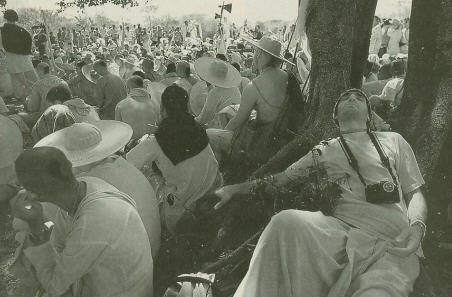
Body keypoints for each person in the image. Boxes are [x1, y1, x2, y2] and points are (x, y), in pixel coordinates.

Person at [215, 88, 427, 297]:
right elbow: (279, 180)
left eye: (359, 98)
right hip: (341, 235)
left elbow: (414, 193)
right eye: (345, 97)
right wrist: (234, 189)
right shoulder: (324, 151)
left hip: (394, 244)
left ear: (369, 116)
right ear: (335, 116)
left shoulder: (394, 141)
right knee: (284, 221)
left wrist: (417, 227)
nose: (352, 98)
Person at [9, 146, 154, 297]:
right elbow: (59, 246)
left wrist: (36, 226)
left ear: (32, 194)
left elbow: (54, 288)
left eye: (20, 185)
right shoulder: (87, 184)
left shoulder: (91, 225)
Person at [34, 120, 161, 259]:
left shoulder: (87, 183)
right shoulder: (122, 164)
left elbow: (51, 217)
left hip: (124, 265)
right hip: (148, 253)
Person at [127, 84, 222, 234]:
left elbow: (129, 163)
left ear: (163, 109)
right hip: (211, 185)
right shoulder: (197, 127)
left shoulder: (156, 141)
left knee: (147, 174)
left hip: (182, 205)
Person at [223, 36, 304, 180]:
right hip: (288, 140)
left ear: (261, 54)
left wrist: (223, 133)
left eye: (256, 52)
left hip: (264, 145)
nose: (255, 55)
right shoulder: (289, 77)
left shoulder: (253, 86)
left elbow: (238, 121)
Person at [31, 84, 99, 142]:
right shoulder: (88, 106)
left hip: (82, 142)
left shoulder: (61, 112)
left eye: (51, 104)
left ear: (57, 102)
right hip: (97, 138)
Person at [0, 9, 38, 100]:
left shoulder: (2, 30)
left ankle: (23, 97)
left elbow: (1, 45)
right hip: (24, 57)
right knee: (31, 76)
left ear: (5, 18)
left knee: (15, 79)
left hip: (11, 56)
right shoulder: (22, 31)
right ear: (15, 18)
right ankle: (36, 93)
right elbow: (29, 41)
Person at [193, 57, 242, 127]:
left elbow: (204, 117)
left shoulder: (215, 92)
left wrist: (193, 120)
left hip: (224, 128)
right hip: (236, 126)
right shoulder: (235, 89)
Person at [21, 62, 67, 126]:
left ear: (39, 71)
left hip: (47, 116)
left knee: (18, 116)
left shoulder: (38, 85)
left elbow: (34, 108)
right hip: (64, 115)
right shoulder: (62, 82)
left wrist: (26, 103)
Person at [115, 75, 160, 139]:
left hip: (131, 146)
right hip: (152, 145)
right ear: (142, 86)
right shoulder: (155, 104)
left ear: (128, 89)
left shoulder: (120, 105)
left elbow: (119, 131)